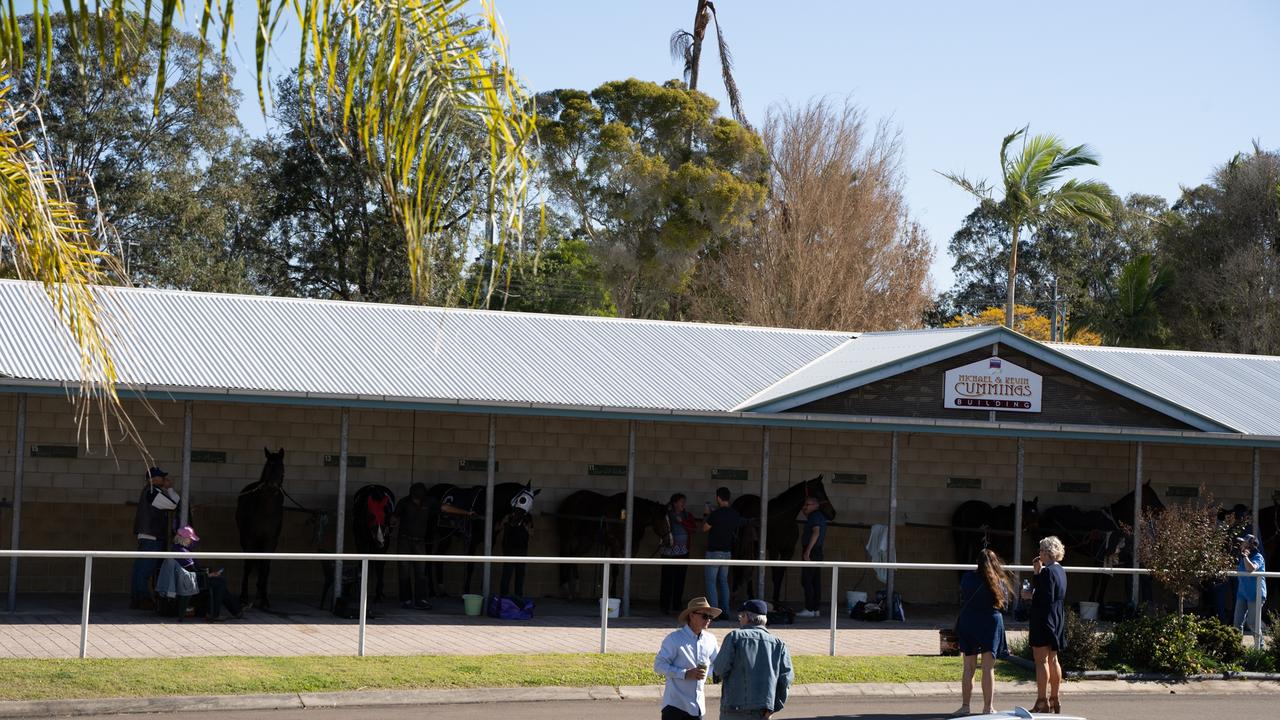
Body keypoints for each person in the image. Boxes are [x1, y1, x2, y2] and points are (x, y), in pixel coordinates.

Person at [712, 599, 793, 720]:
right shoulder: (779, 644)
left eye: (741, 616)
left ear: (747, 617)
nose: (740, 619)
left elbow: (719, 669)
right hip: (762, 712)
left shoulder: (734, 637)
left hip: (734, 710)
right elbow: (786, 680)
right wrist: (773, 708)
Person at [954, 548, 1012, 716]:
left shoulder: (967, 577)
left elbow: (962, 595)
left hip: (969, 621)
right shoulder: (999, 581)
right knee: (988, 668)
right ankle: (988, 707)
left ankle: (965, 706)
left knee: (968, 667)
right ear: (995, 562)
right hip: (991, 623)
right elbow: (1005, 606)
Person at [654, 596, 721, 720]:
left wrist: (712, 673)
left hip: (698, 707)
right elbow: (659, 666)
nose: (708, 620)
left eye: (710, 617)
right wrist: (685, 674)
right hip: (675, 705)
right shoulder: (674, 639)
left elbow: (718, 664)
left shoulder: (710, 639)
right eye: (705, 616)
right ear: (691, 615)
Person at [1023, 535, 1067, 715]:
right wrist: (1037, 572)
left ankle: (1042, 701)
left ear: (1048, 553)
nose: (1039, 553)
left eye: (1041, 550)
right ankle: (1054, 698)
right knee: (1053, 659)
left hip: (1043, 618)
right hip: (1057, 618)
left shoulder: (1048, 572)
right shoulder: (1060, 570)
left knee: (1041, 661)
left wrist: (1028, 595)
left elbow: (1043, 597)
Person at [131, 466, 180, 610]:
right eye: (161, 477)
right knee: (145, 570)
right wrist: (170, 489)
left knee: (141, 569)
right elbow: (173, 504)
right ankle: (143, 599)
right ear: (152, 479)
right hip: (151, 537)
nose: (164, 479)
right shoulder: (153, 491)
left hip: (149, 536)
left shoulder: (151, 491)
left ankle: (138, 599)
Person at [172, 525, 243, 621]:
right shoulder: (183, 552)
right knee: (220, 583)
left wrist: (208, 574)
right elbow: (192, 571)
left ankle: (236, 611)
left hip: (188, 578)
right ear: (184, 538)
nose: (192, 542)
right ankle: (215, 614)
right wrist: (208, 575)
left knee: (219, 582)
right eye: (191, 539)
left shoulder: (176, 548)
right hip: (190, 581)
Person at [702, 487, 744, 616]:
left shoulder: (715, 514)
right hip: (727, 552)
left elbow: (705, 528)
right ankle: (725, 611)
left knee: (711, 582)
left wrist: (707, 514)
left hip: (714, 552)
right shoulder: (734, 514)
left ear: (718, 498)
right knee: (723, 581)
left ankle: (714, 612)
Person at [395, 482, 434, 610]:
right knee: (404, 571)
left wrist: (467, 513)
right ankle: (405, 600)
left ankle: (420, 600)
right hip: (404, 541)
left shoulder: (428, 502)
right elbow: (395, 517)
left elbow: (444, 508)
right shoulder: (403, 502)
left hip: (420, 542)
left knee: (421, 572)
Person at [660, 493, 697, 614]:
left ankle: (676, 604)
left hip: (683, 552)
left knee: (680, 579)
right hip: (667, 552)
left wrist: (682, 522)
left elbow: (693, 529)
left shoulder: (687, 515)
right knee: (667, 579)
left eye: (684, 502)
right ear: (675, 503)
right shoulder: (666, 515)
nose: (683, 504)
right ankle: (665, 605)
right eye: (681, 501)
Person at [796, 496, 828, 619]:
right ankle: (815, 608)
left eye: (808, 505)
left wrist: (807, 551)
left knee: (807, 580)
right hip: (817, 551)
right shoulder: (819, 516)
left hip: (812, 551)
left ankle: (809, 608)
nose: (805, 507)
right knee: (815, 581)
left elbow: (816, 532)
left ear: (816, 505)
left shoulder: (814, 516)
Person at [1234, 534, 1267, 635]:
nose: (1241, 544)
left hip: (1255, 593)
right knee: (1237, 624)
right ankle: (1235, 648)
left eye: (1244, 542)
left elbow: (1251, 569)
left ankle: (1259, 649)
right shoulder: (1243, 557)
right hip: (1242, 593)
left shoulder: (1258, 557)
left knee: (1253, 623)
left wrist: (1245, 556)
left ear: (1250, 545)